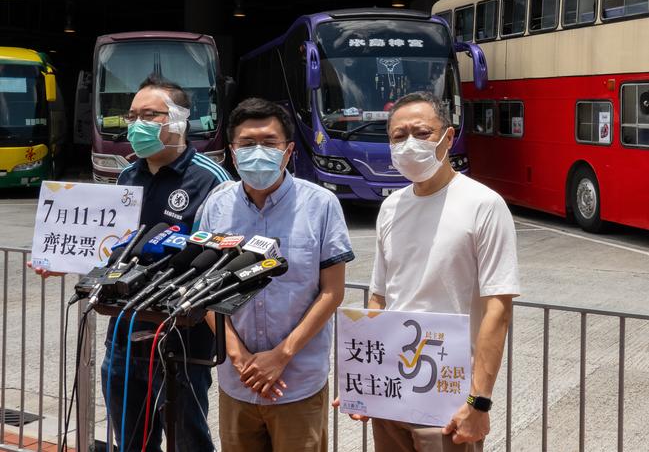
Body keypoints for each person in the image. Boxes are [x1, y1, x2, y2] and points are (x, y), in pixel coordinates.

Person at [30, 74, 232, 451]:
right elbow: (110, 247)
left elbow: (217, 263)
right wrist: (65, 260)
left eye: (149, 114)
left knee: (188, 436)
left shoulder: (211, 180)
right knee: (131, 437)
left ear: (177, 120)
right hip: (125, 330)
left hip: (182, 338)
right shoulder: (127, 175)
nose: (136, 124)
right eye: (132, 115)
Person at [338, 91, 519, 452]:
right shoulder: (391, 208)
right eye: (398, 137)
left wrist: (479, 402)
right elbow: (379, 298)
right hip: (392, 390)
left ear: (447, 138)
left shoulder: (483, 204)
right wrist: (364, 383)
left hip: (449, 399)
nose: (408, 145)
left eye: (421, 133)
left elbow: (498, 309)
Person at [198, 97, 354, 452]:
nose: (258, 152)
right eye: (247, 143)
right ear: (232, 152)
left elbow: (332, 291)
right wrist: (238, 357)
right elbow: (206, 289)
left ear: (288, 151)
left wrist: (281, 356)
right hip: (237, 380)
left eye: (269, 143)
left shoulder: (321, 205)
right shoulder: (217, 205)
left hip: (297, 382)